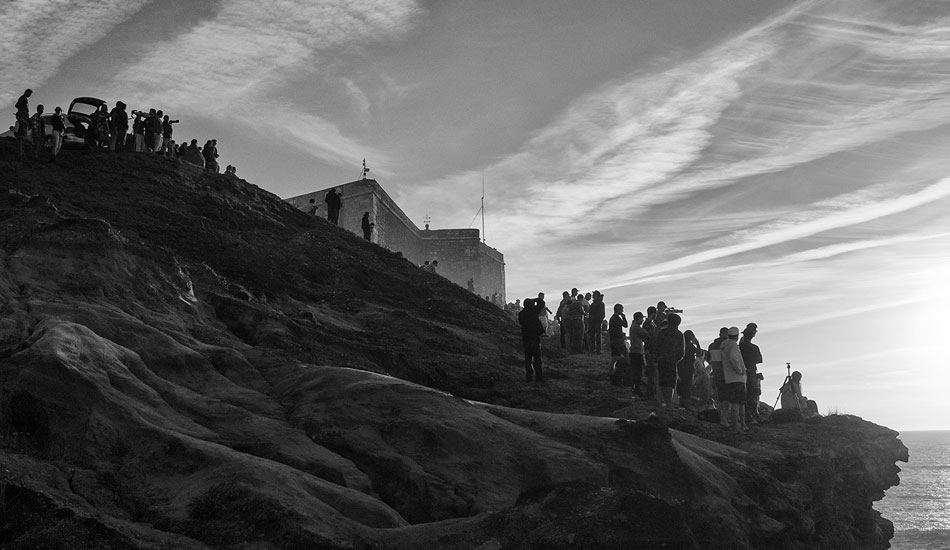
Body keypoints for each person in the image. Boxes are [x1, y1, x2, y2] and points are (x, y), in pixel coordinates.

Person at [720, 327, 748, 433]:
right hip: (737, 378)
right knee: (739, 403)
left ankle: (739, 425)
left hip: (728, 378)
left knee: (735, 402)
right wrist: (740, 370)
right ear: (736, 336)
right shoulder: (733, 345)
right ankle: (737, 426)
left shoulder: (724, 346)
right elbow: (734, 359)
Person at [654, 313, 684, 407]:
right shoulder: (679, 334)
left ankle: (664, 401)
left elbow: (657, 347)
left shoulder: (662, 332)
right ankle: (668, 402)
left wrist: (658, 357)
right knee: (670, 382)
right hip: (671, 361)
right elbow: (681, 352)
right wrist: (675, 359)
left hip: (662, 360)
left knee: (663, 381)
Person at [740, 323, 763, 424]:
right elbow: (759, 360)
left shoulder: (740, 346)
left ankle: (748, 415)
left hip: (741, 371)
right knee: (751, 394)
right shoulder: (753, 348)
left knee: (745, 394)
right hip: (750, 372)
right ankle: (750, 416)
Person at [518, 298, 544, 382]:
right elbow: (542, 303)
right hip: (535, 338)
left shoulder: (521, 314)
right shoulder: (533, 311)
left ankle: (529, 377)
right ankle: (539, 377)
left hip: (526, 338)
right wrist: (536, 299)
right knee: (537, 359)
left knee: (528, 359)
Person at [676, 329, 702, 409]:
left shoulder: (680, 344)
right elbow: (699, 352)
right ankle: (686, 403)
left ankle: (682, 402)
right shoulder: (690, 346)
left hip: (680, 368)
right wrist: (697, 343)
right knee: (687, 387)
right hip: (688, 368)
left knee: (681, 386)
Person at [628, 311, 649, 397]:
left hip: (635, 351)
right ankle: (636, 389)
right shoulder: (636, 327)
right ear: (639, 318)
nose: (643, 321)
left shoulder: (634, 327)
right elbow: (646, 334)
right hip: (636, 352)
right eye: (642, 319)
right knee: (638, 372)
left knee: (636, 372)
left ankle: (636, 388)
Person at [607, 304, 629, 384]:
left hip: (613, 340)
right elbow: (625, 325)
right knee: (626, 353)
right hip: (618, 340)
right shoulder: (617, 318)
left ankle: (610, 372)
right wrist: (624, 317)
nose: (622, 310)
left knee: (614, 357)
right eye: (621, 309)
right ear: (618, 309)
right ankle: (627, 371)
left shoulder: (612, 318)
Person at [707, 327, 728, 403]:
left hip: (716, 372)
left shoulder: (711, 346)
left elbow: (708, 359)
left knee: (719, 392)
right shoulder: (728, 345)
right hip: (727, 373)